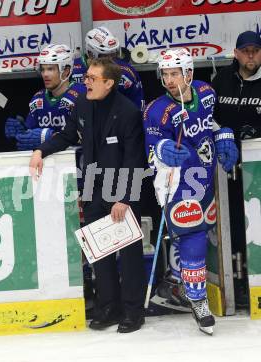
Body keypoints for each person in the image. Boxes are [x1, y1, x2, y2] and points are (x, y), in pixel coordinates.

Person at [29, 57, 146, 333]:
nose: (86, 82)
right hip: (93, 185)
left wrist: (125, 198)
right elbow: (68, 135)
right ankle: (108, 308)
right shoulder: (82, 104)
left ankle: (133, 311)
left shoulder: (127, 111)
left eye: (92, 78)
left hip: (122, 189)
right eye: (86, 77)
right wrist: (40, 150)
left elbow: (135, 158)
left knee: (128, 254)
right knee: (99, 253)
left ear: (109, 82)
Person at [143, 48, 239, 335]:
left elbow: (215, 121)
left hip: (205, 180)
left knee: (205, 234)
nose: (169, 80)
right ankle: (198, 301)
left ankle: (185, 284)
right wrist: (162, 152)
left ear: (189, 73)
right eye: (165, 74)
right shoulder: (156, 110)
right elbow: (149, 151)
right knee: (193, 239)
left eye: (175, 73)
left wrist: (224, 136)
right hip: (176, 185)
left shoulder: (206, 92)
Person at [212, 30, 261, 306]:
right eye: (246, 50)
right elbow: (209, 117)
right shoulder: (221, 80)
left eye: (255, 50)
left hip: (258, 168)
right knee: (233, 225)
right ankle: (238, 282)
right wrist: (223, 133)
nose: (251, 55)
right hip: (228, 167)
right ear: (237, 53)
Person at [5, 44, 86, 151]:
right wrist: (21, 131)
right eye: (43, 69)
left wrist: (50, 136)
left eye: (50, 69)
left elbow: (89, 136)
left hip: (78, 163)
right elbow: (30, 137)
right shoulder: (37, 99)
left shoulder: (82, 95)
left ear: (66, 71)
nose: (45, 74)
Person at [72, 26, 144, 111]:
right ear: (91, 53)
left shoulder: (126, 73)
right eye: (105, 56)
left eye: (113, 55)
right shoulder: (73, 69)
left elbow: (138, 107)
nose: (111, 60)